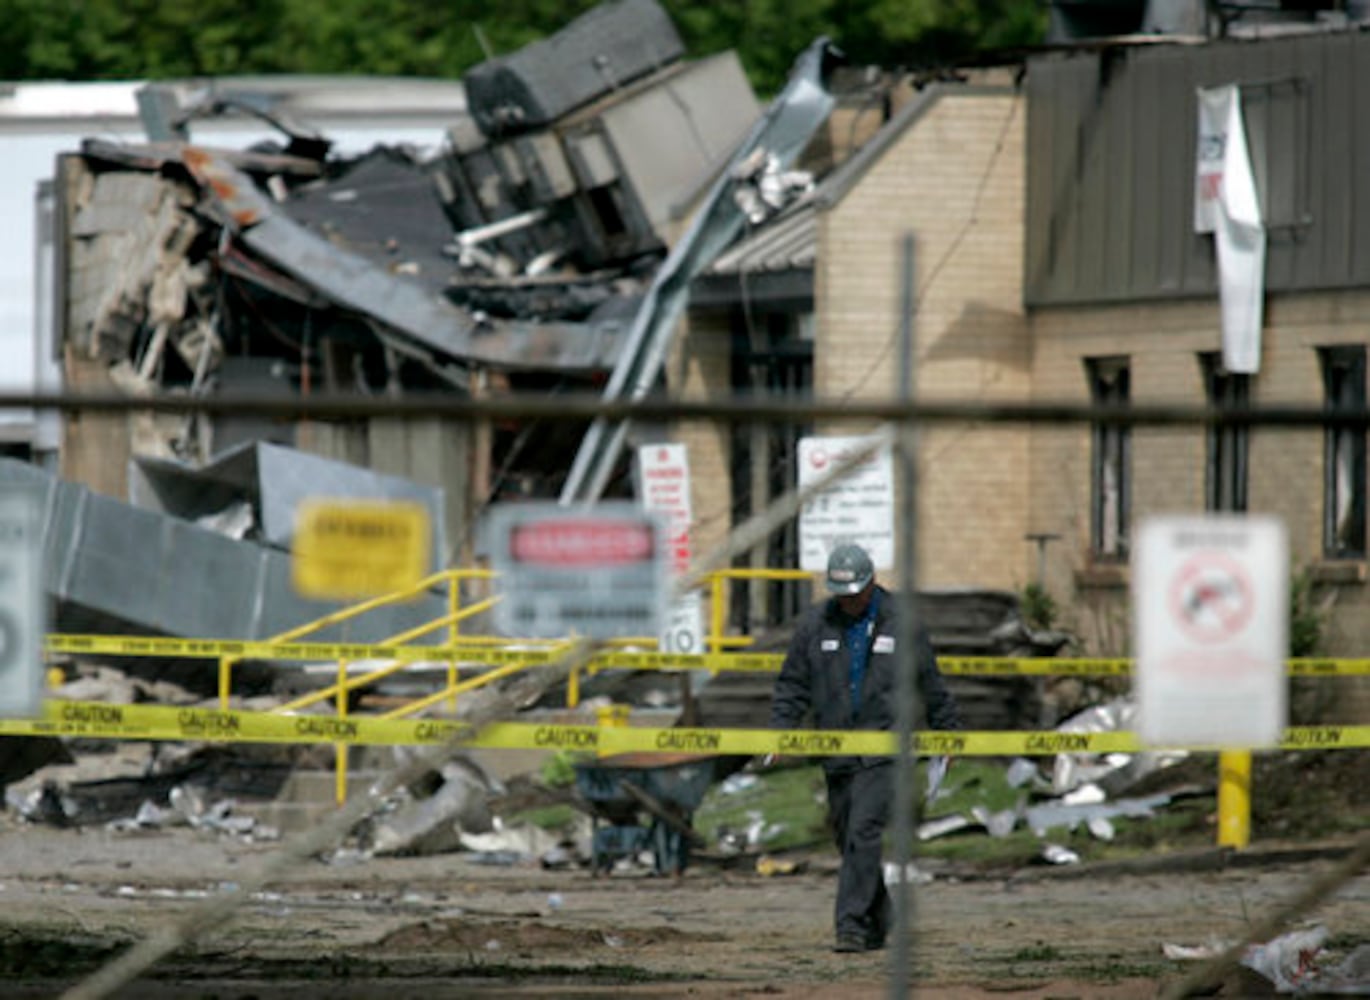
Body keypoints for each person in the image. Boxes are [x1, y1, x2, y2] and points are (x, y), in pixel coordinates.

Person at [769, 542, 961, 954]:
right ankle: (880, 916)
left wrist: (947, 733)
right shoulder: (815, 625)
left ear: (872, 582)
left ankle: (851, 926)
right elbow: (793, 685)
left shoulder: (902, 623)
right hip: (837, 748)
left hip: (886, 748)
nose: (850, 602)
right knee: (846, 837)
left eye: (856, 593)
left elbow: (930, 683)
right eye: (843, 595)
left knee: (863, 831)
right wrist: (780, 732)